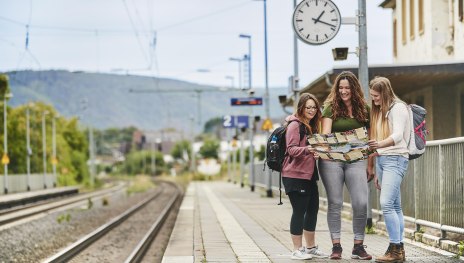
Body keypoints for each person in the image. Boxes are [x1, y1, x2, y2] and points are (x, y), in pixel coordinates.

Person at [319, 71, 373, 260]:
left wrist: (370, 165)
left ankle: (358, 246)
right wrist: (328, 151)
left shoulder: (365, 109)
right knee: (335, 203)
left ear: (354, 89)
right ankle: (336, 246)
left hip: (357, 159)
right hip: (332, 160)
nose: (343, 91)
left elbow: (370, 139)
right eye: (340, 88)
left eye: (347, 88)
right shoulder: (330, 108)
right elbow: (325, 135)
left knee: (360, 202)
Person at [281, 93, 329, 260]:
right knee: (299, 211)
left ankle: (310, 248)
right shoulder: (295, 125)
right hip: (295, 175)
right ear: (301, 108)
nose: (311, 110)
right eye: (308, 107)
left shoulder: (309, 125)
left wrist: (313, 153)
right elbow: (291, 149)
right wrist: (308, 150)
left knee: (312, 210)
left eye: (314, 107)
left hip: (308, 175)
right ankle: (296, 249)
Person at [367, 76, 409, 262]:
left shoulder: (398, 107)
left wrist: (378, 144)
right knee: (395, 206)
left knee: (386, 204)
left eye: (376, 96)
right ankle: (398, 249)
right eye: (372, 96)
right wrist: (377, 168)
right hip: (384, 160)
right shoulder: (383, 111)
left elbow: (398, 135)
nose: (374, 99)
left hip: (396, 159)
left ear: (384, 93)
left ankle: (395, 250)